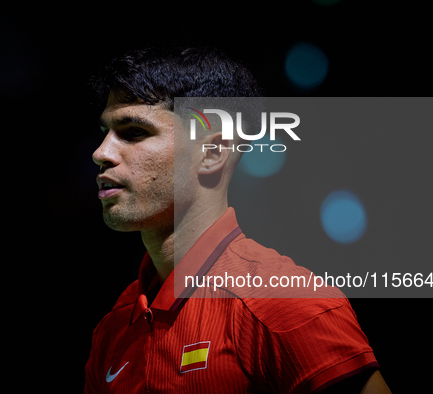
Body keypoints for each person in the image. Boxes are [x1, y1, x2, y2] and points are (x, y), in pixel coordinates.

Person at [85, 46, 391, 393]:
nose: (101, 152)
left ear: (213, 152)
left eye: (134, 132)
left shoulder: (286, 304)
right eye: (105, 131)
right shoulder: (114, 327)